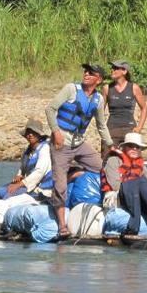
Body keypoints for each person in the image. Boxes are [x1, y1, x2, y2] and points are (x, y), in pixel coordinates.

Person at [46, 63, 114, 239]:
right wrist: (56, 132)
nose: (86, 74)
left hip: (79, 143)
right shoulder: (71, 89)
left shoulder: (98, 99)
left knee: (102, 168)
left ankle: (76, 176)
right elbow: (50, 109)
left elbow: (101, 126)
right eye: (85, 71)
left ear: (98, 79)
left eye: (91, 73)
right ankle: (62, 225)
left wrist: (111, 145)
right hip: (61, 142)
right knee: (60, 184)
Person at [0, 118, 53, 226]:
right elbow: (22, 168)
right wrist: (19, 176)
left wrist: (20, 184)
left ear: (39, 134)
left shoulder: (44, 149)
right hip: (27, 184)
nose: (30, 135)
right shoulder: (28, 151)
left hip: (37, 188)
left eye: (33, 132)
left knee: (10, 194)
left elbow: (39, 172)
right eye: (28, 133)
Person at [101, 60, 147, 149]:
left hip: (130, 129)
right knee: (108, 158)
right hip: (111, 129)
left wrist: (139, 127)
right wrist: (102, 127)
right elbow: (100, 110)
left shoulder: (134, 87)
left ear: (124, 71)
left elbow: (144, 108)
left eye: (116, 68)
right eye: (112, 68)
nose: (112, 70)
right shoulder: (107, 88)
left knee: (131, 157)